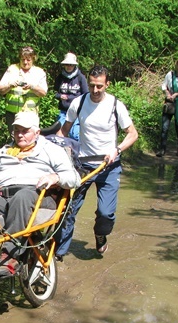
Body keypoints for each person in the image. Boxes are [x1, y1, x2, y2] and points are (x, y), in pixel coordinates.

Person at [0, 111, 81, 277]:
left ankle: (11, 254)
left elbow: (74, 178)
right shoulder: (4, 151)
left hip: (39, 196)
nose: (19, 135)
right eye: (16, 131)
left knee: (22, 195)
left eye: (25, 131)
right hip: (5, 196)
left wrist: (55, 177)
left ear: (36, 133)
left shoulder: (51, 150)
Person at [55, 65, 139, 259]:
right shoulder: (79, 102)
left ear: (107, 84)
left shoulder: (116, 105)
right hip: (83, 165)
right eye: (92, 85)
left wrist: (116, 150)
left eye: (99, 86)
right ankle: (59, 252)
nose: (95, 90)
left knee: (105, 213)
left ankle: (100, 235)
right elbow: (64, 131)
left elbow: (132, 134)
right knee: (68, 209)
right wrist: (57, 150)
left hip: (109, 166)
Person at [0, 46, 48, 136]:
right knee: (15, 138)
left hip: (30, 114)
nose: (25, 62)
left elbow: (43, 93)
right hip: (12, 114)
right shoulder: (12, 69)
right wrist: (10, 85)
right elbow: (0, 90)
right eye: (22, 59)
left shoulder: (39, 72)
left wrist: (32, 87)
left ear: (33, 58)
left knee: (31, 139)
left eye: (28, 60)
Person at [157, 59, 178, 156]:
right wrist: (167, 93)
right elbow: (164, 86)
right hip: (169, 103)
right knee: (165, 127)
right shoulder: (170, 75)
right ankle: (162, 149)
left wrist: (176, 94)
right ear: (176, 66)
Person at [53, 52, 89, 141]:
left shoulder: (81, 77)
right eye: (67, 64)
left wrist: (71, 98)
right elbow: (54, 93)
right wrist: (60, 96)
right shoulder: (60, 78)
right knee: (59, 135)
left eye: (71, 65)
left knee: (75, 135)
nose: (69, 66)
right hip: (63, 111)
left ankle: (77, 153)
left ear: (74, 65)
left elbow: (86, 94)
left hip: (77, 112)